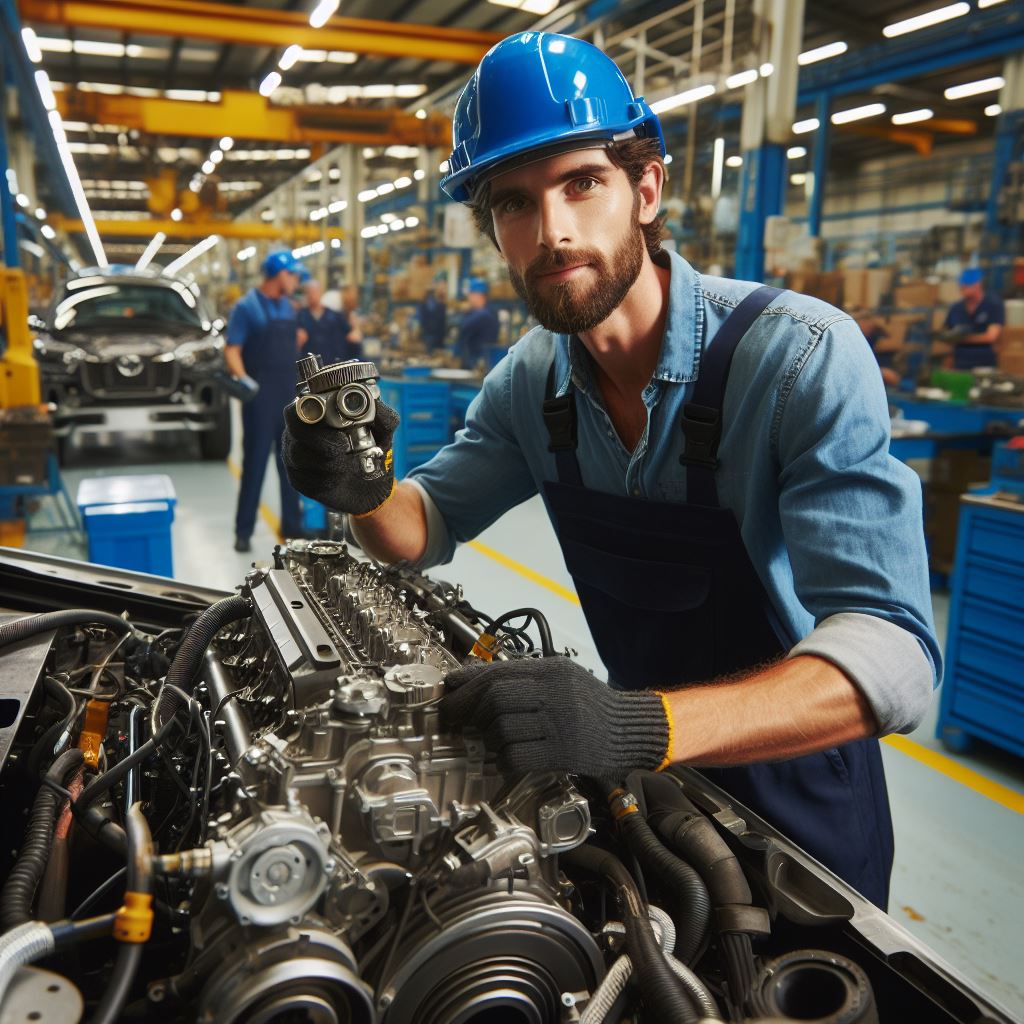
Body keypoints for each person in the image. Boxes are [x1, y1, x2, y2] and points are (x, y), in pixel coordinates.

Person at [283, 32, 939, 909]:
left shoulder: (799, 359)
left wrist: (639, 722)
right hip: (643, 785)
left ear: (646, 188)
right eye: (515, 203)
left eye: (581, 182)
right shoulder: (531, 382)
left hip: (799, 800)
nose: (553, 231)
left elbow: (896, 653)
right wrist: (361, 486)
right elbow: (420, 528)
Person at [225, 250, 308, 553]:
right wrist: (244, 379)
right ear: (278, 274)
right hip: (260, 399)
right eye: (292, 275)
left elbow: (295, 342)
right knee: (255, 465)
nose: (296, 280)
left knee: (291, 463)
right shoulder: (247, 307)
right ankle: (243, 531)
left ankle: (292, 527)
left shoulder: (290, 307)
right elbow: (232, 348)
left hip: (287, 395)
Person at [943, 267, 1004, 370]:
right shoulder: (956, 308)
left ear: (977, 285)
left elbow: (990, 336)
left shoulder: (993, 305)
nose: (962, 289)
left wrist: (961, 339)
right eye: (961, 286)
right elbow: (947, 333)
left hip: (984, 362)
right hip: (960, 363)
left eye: (966, 286)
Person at [298, 279, 360, 365]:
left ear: (320, 293)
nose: (311, 296)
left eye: (314, 292)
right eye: (308, 292)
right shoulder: (301, 317)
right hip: (310, 368)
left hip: (332, 367)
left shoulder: (334, 316)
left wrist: (355, 331)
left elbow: (351, 335)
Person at [455, 278, 499, 368]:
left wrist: (465, 312)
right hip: (479, 363)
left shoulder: (482, 315)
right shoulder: (488, 313)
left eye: (471, 294)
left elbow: (463, 328)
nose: (468, 298)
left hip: (475, 364)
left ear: (478, 295)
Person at [417, 279, 449, 353]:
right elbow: (443, 321)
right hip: (437, 335)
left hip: (429, 335)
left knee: (430, 353)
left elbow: (420, 319)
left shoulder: (422, 305)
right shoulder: (441, 305)